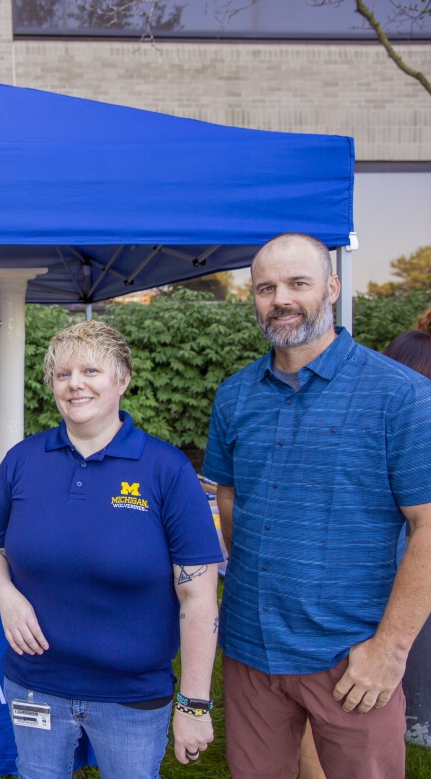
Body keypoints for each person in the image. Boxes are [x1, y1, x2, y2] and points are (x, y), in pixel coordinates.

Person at [204, 233, 431, 779]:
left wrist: (390, 650)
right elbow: (229, 499)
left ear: (330, 287)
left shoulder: (400, 395)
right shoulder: (235, 395)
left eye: (297, 283)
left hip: (351, 657)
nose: (280, 298)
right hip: (251, 651)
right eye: (265, 287)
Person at [0, 320, 224, 779]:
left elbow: (199, 594)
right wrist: (5, 596)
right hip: (36, 686)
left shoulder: (165, 469)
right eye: (63, 374)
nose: (75, 385)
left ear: (122, 379)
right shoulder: (23, 461)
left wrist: (193, 703)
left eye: (91, 370)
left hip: (131, 695)